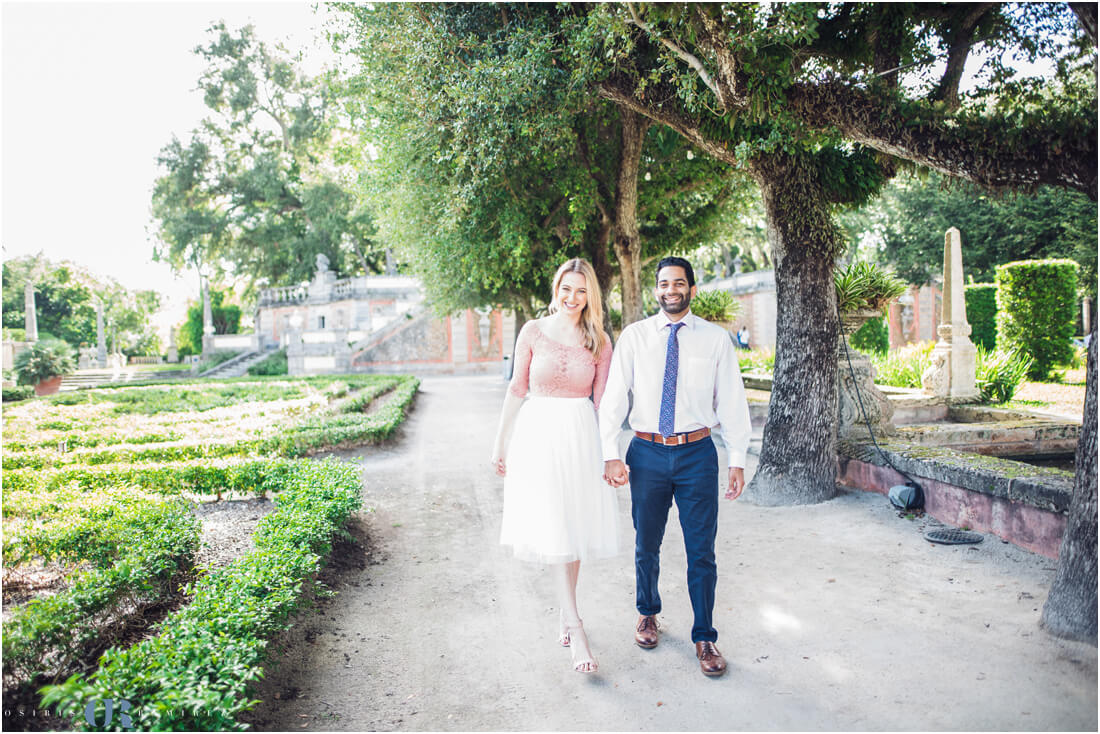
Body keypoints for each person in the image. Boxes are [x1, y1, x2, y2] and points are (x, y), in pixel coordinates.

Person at [599, 256, 751, 677]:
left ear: (692, 289)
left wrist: (737, 458)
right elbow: (614, 398)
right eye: (664, 283)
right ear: (656, 290)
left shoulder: (716, 340)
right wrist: (610, 451)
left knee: (701, 551)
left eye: (679, 283)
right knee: (646, 542)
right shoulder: (635, 337)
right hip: (646, 453)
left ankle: (705, 636)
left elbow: (733, 402)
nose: (671, 290)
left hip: (697, 454)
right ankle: (647, 612)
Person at [490, 258, 619, 674]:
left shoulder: (599, 340)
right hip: (538, 436)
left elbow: (603, 404)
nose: (572, 297)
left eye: (581, 291)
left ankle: (565, 612)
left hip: (581, 435)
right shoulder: (532, 331)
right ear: (556, 288)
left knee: (574, 529)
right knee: (556, 526)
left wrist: (609, 453)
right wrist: (500, 444)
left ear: (591, 295)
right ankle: (576, 627)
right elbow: (517, 387)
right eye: (567, 288)